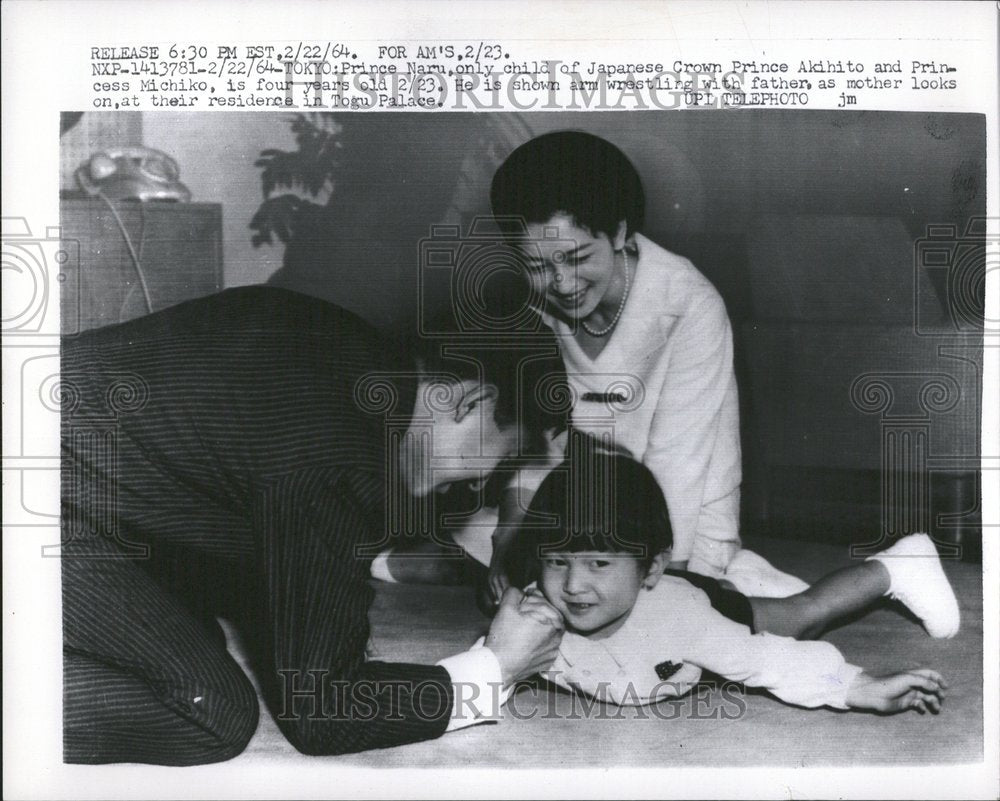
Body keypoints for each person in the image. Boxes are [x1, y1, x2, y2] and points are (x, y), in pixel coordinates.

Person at [60, 284, 567, 765]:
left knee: (191, 635)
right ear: (470, 402)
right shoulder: (340, 457)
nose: (477, 485)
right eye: (498, 460)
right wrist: (496, 669)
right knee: (212, 709)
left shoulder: (347, 348)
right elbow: (319, 710)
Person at [487, 129, 808, 599]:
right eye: (537, 266)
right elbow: (537, 442)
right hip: (578, 501)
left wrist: (665, 583)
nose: (561, 282)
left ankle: (735, 578)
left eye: (577, 258)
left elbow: (678, 463)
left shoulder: (688, 303)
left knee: (630, 616)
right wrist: (505, 543)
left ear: (619, 231)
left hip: (678, 510)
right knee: (487, 570)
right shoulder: (530, 307)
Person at [513, 450, 958, 713]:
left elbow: (770, 661)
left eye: (598, 564)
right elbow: (490, 666)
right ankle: (743, 573)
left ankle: (899, 564)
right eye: (555, 561)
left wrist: (860, 688)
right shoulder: (536, 615)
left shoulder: (684, 623)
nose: (571, 585)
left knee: (803, 617)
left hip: (698, 604)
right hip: (659, 592)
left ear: (650, 568)